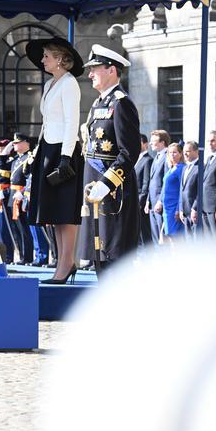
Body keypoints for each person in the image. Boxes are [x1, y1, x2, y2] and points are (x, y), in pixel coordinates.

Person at [24, 36, 84, 283]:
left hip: (64, 150)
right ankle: (62, 263)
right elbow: (47, 121)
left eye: (47, 56)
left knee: (65, 210)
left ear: (60, 59)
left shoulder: (69, 84)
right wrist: (36, 152)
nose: (43, 59)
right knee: (53, 212)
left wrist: (65, 158)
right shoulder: (50, 84)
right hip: (48, 148)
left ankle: (67, 263)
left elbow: (72, 123)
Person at [80, 45, 142, 272]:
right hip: (93, 186)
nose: (90, 74)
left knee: (113, 257)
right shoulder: (98, 104)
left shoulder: (121, 103)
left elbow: (129, 151)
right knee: (98, 256)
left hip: (114, 192)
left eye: (95, 68)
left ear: (111, 70)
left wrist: (107, 183)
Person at [9, 134, 38, 264]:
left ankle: (27, 256)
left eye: (17, 143)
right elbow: (3, 163)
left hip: (23, 196)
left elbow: (30, 179)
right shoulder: (16, 159)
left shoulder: (29, 157)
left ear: (26, 143)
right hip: (13, 196)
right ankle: (21, 255)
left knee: (26, 229)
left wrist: (22, 192)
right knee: (17, 229)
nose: (14, 145)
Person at [191, 130, 216, 239]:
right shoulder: (209, 159)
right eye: (208, 141)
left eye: (213, 141)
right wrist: (195, 207)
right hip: (204, 206)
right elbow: (203, 184)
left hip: (214, 207)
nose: (210, 143)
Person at [145, 130, 171, 245]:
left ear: (162, 142)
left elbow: (166, 182)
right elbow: (152, 182)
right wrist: (147, 201)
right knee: (155, 236)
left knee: (162, 237)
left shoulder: (167, 157)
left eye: (154, 141)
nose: (150, 144)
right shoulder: (156, 157)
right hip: (152, 202)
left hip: (160, 203)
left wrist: (160, 201)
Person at [160, 142, 185, 243]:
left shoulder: (181, 168)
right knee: (168, 236)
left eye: (175, 152)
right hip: (167, 208)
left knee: (176, 237)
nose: (172, 155)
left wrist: (179, 209)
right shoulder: (171, 168)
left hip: (174, 207)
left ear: (180, 154)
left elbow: (181, 190)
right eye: (170, 153)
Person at [177, 141, 200, 238]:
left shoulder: (200, 167)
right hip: (185, 212)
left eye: (188, 151)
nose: (185, 154)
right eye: (184, 151)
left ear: (196, 151)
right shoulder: (185, 168)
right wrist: (181, 209)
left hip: (194, 211)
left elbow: (200, 191)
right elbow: (182, 190)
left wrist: (195, 208)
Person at [134, 133, 153, 247]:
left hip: (141, 201)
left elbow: (146, 183)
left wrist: (141, 200)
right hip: (134, 200)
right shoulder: (137, 159)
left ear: (145, 144)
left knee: (144, 232)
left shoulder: (148, 160)